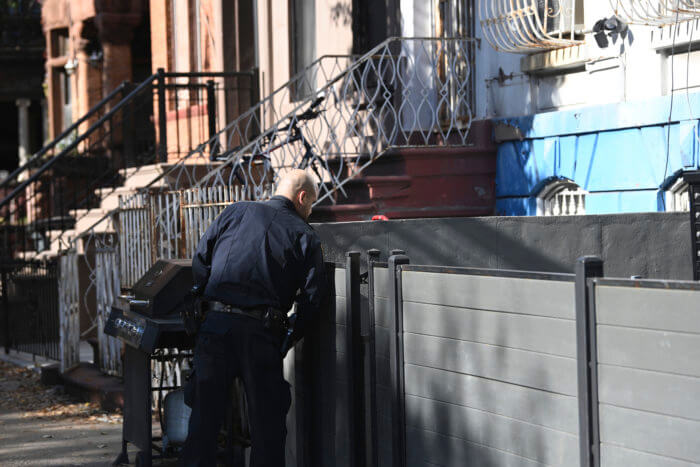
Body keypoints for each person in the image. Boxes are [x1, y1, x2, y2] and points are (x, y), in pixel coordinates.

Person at [180, 169, 327, 466]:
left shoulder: (234, 212)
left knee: (203, 423)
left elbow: (201, 260)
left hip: (215, 325)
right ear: (301, 198)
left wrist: (204, 303)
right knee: (267, 428)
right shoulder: (305, 235)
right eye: (311, 205)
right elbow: (312, 299)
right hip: (260, 333)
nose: (309, 212)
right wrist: (287, 338)